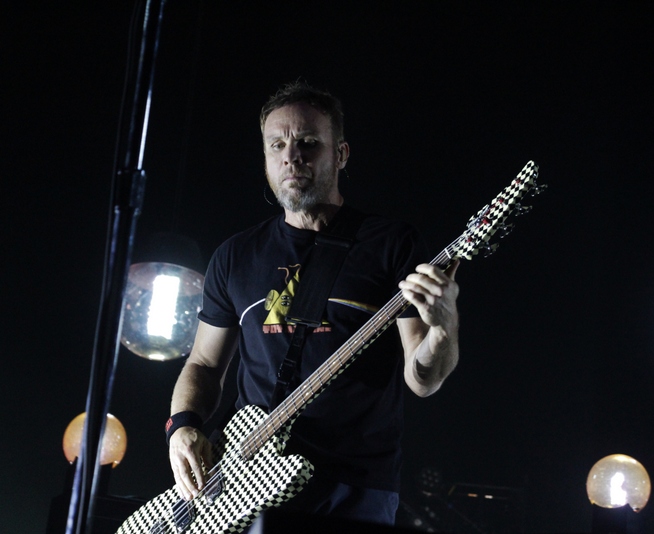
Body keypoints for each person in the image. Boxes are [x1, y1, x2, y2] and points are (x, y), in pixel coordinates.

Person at [166, 81, 460, 527]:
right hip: (244, 484)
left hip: (354, 487)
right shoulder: (234, 256)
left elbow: (424, 380)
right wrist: (182, 425)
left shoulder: (390, 244)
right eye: (277, 145)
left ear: (340, 154)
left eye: (307, 142)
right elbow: (204, 364)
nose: (292, 156)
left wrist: (443, 327)